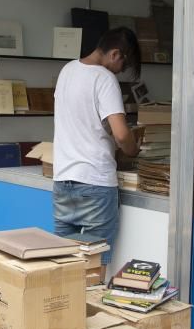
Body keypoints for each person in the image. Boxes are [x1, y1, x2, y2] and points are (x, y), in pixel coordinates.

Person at [52, 27, 142, 264]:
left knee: (63, 263)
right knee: (93, 266)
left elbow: (84, 120)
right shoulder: (104, 78)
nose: (121, 70)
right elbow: (122, 135)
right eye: (124, 63)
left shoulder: (67, 70)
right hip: (95, 184)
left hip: (62, 180)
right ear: (115, 54)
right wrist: (135, 151)